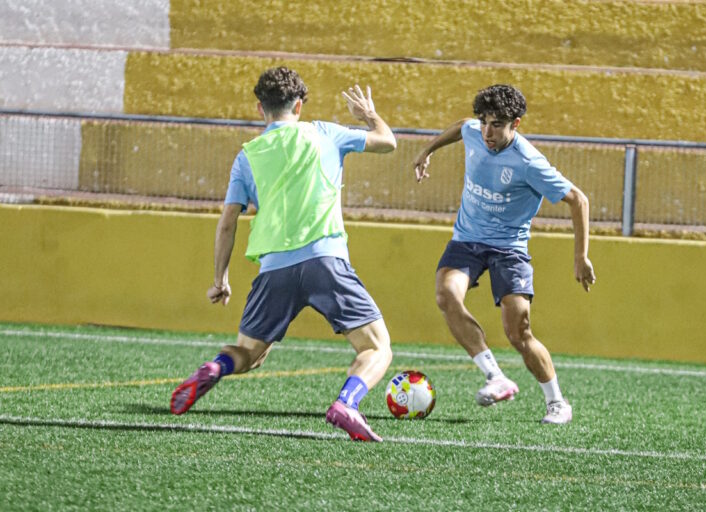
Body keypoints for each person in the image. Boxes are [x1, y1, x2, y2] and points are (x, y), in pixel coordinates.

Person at [170, 67, 396, 442]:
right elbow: (387, 142)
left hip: (274, 267)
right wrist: (369, 116)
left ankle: (216, 366)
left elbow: (228, 222)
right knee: (376, 347)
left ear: (261, 108)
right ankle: (347, 403)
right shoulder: (324, 132)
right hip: (325, 259)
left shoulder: (248, 156)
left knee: (249, 354)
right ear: (300, 106)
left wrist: (220, 279)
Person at [412, 84, 596, 424]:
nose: (486, 131)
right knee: (446, 294)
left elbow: (578, 200)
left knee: (518, 331)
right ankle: (495, 376)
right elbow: (460, 126)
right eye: (484, 121)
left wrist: (580, 257)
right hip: (467, 240)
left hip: (509, 249)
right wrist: (427, 151)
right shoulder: (474, 132)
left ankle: (557, 402)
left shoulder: (528, 162)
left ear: (517, 124)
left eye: (496, 124)